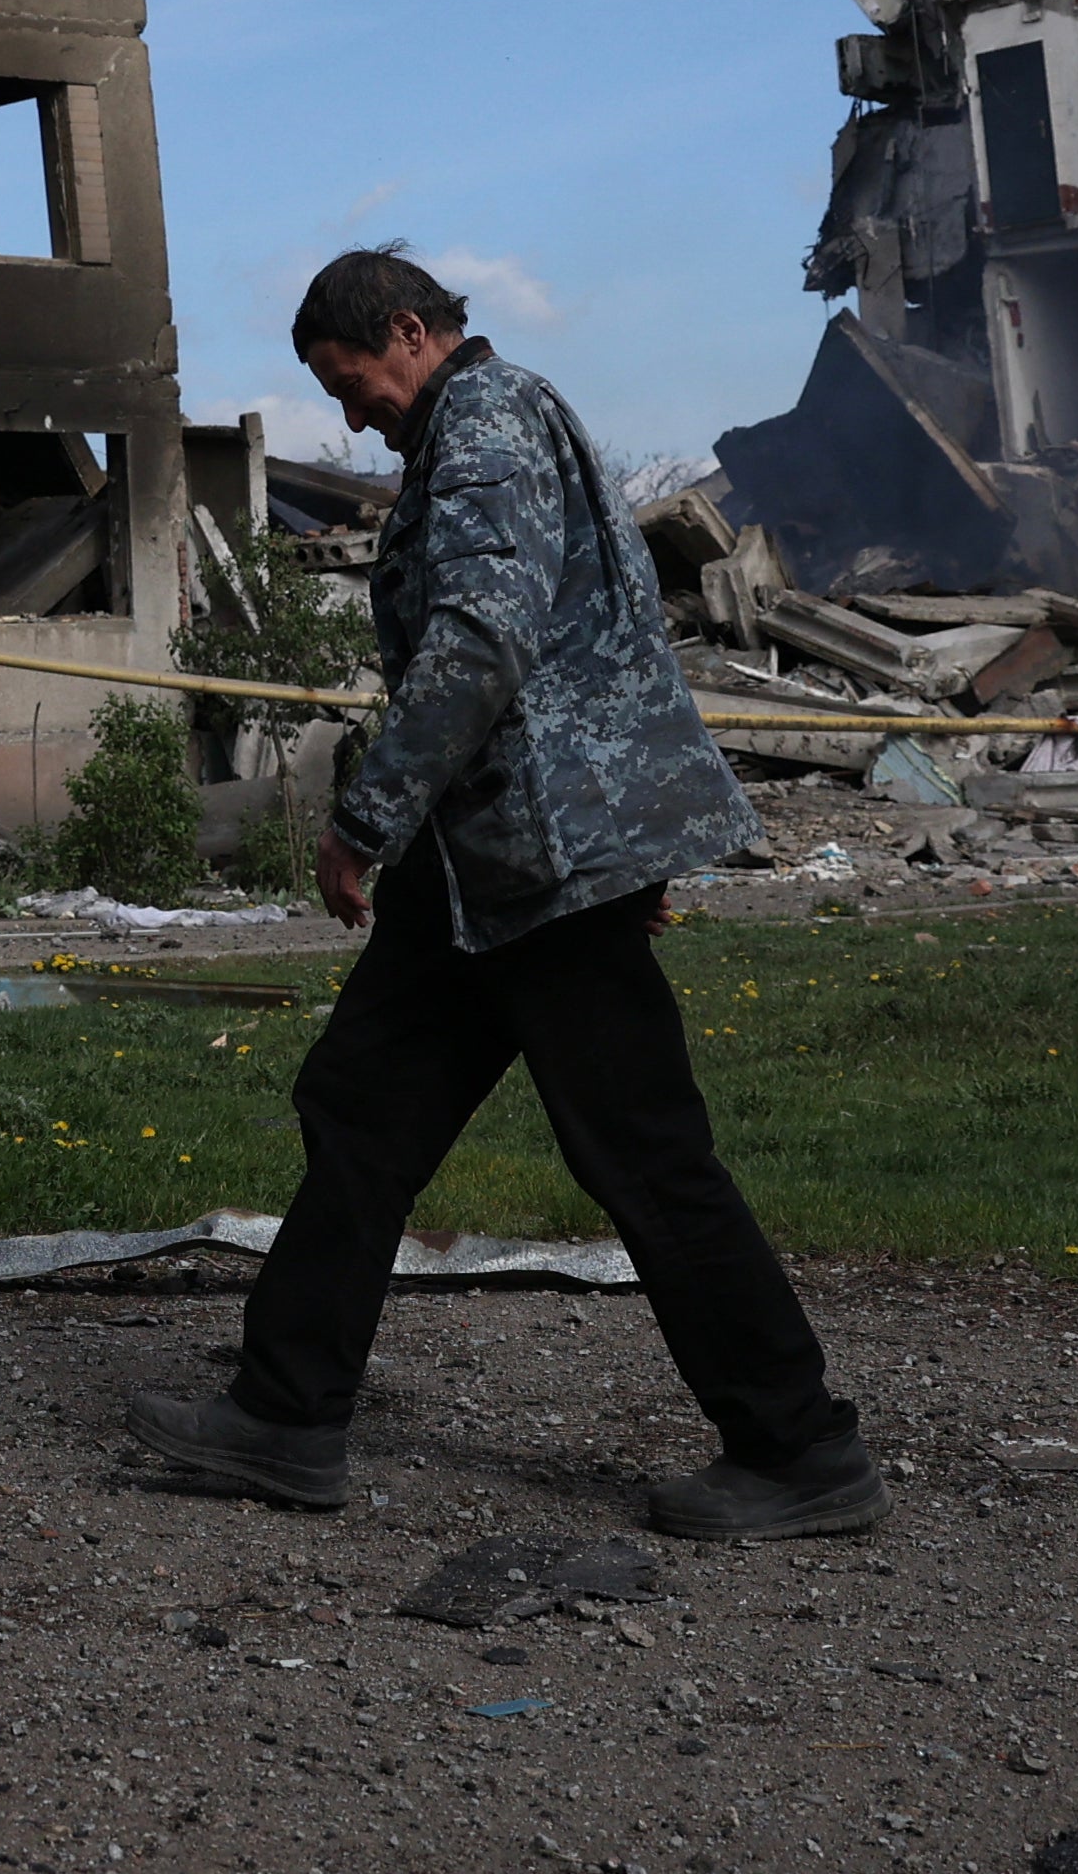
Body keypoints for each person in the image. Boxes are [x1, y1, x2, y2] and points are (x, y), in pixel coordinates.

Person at [124, 249, 880, 1540]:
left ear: (409, 332)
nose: (351, 413)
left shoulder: (485, 425)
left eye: (351, 382)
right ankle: (283, 1417)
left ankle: (797, 1446)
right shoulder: (509, 423)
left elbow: (484, 637)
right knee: (361, 1106)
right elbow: (609, 625)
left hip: (531, 862)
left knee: (644, 1152)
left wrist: (365, 816)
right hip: (493, 867)